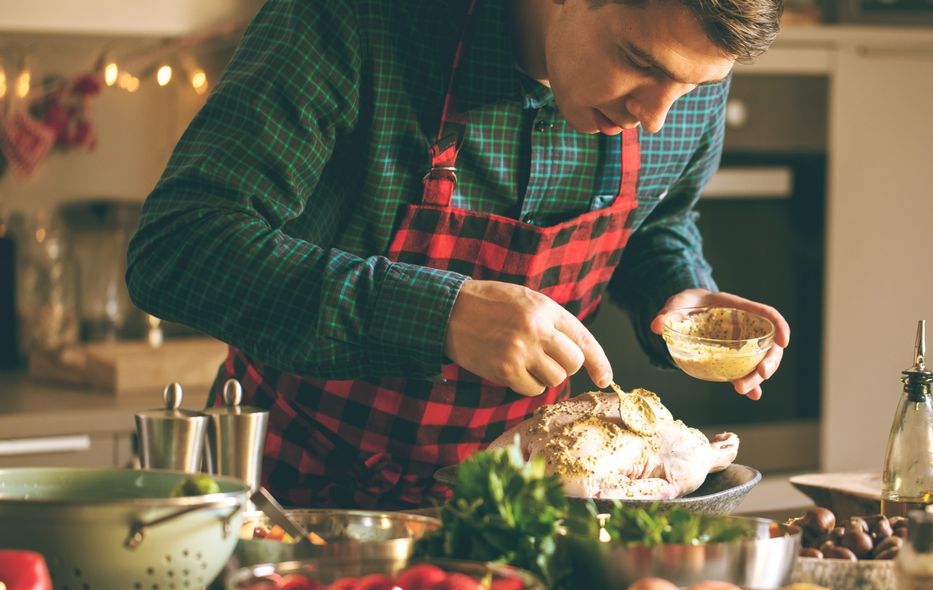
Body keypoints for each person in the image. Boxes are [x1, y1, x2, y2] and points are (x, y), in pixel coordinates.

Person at [127, 0, 790, 509]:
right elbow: (178, 245)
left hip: (511, 516)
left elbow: (657, 222)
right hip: (290, 498)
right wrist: (439, 315)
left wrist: (679, 289)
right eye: (641, 63)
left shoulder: (680, 83)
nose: (658, 117)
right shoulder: (356, 20)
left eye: (695, 87)